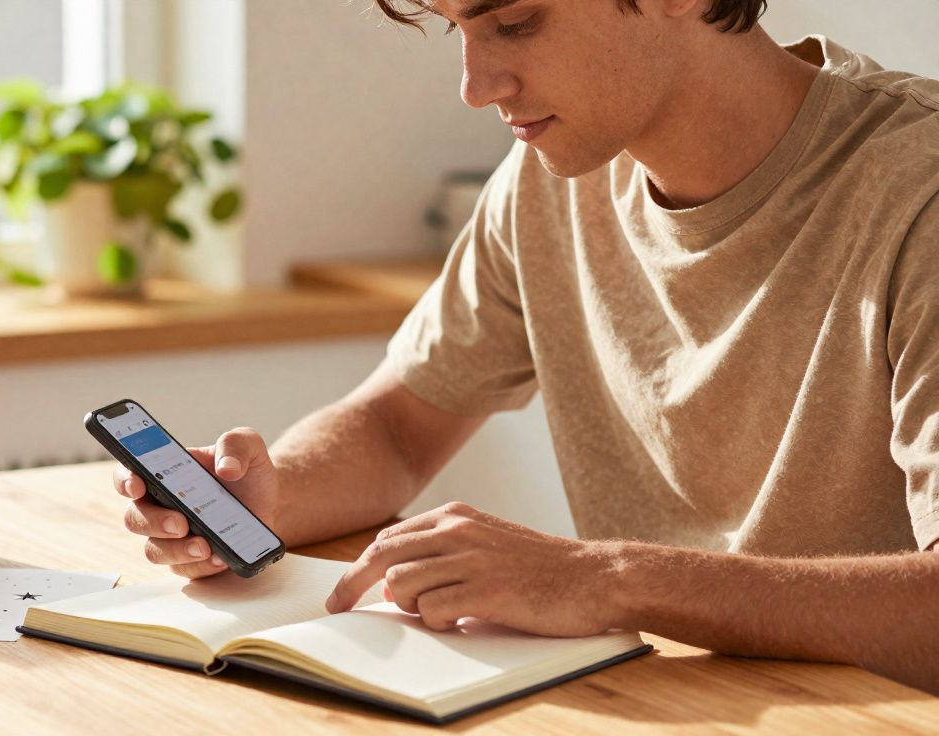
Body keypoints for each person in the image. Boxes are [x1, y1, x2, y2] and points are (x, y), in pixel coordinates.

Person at [113, 0, 939, 693]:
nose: (475, 87)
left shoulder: (918, 192)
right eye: (457, 29)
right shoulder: (552, 178)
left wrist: (603, 578)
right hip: (665, 699)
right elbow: (398, 428)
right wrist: (271, 498)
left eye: (514, 22)